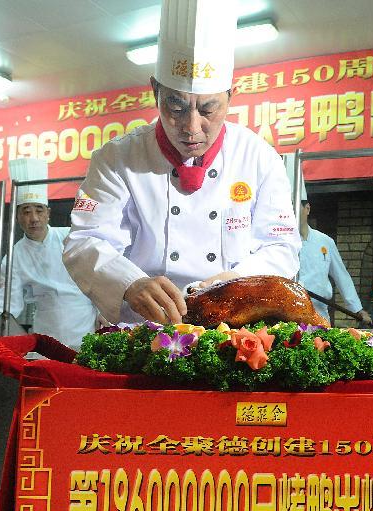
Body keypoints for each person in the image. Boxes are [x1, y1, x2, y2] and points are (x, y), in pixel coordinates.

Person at [63, 0, 300, 325]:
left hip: (230, 329)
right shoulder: (116, 158)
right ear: (155, 91)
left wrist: (234, 284)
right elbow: (85, 239)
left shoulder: (259, 158)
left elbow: (280, 245)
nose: (191, 127)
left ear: (231, 95)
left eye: (208, 109)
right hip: (141, 328)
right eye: (175, 107)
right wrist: (128, 282)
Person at [0, 158, 97, 348]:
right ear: (17, 216)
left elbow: (98, 277)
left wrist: (103, 313)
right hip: (47, 330)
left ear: (48, 213)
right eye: (26, 211)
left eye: (39, 210)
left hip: (85, 325)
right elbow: (9, 307)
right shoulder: (13, 257)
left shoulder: (71, 238)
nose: (33, 218)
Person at [298, 197, 372, 326]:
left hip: (319, 314)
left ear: (307, 209)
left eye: (295, 207)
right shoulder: (283, 243)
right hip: (290, 313)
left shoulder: (325, 241)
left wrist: (357, 309)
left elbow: (341, 276)